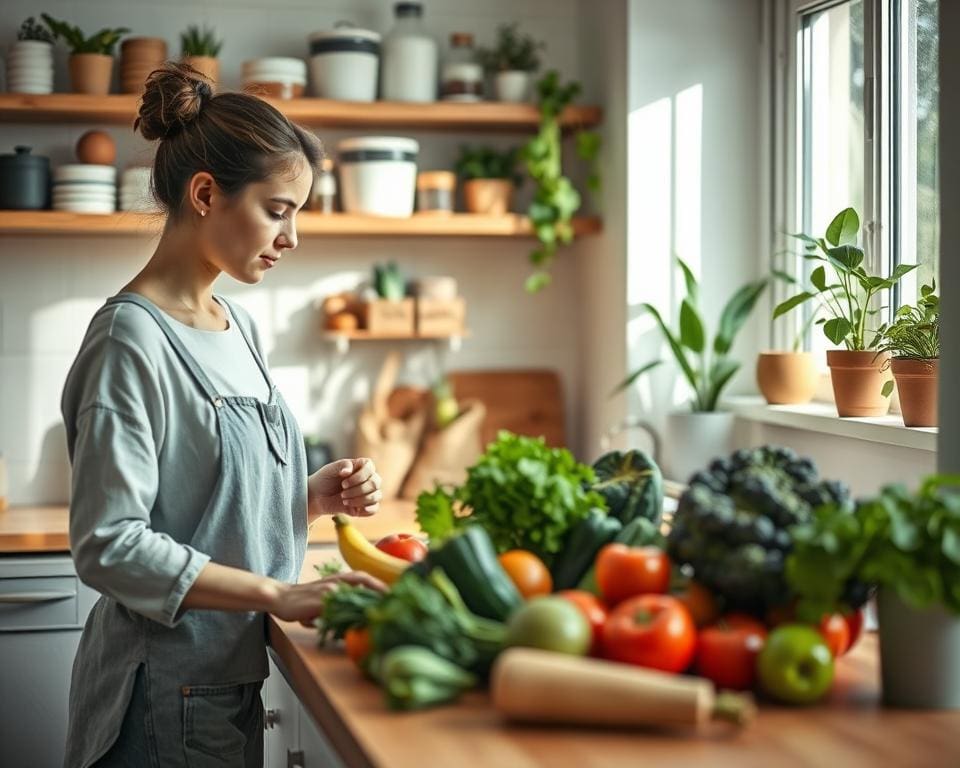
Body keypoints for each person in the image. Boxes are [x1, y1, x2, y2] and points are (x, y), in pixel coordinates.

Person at [59, 63, 384, 768]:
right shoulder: (130, 339)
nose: (292, 237)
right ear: (206, 193)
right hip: (158, 696)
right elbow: (108, 543)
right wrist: (279, 594)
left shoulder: (237, 325)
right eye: (278, 209)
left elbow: (201, 512)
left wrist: (309, 497)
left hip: (226, 682)